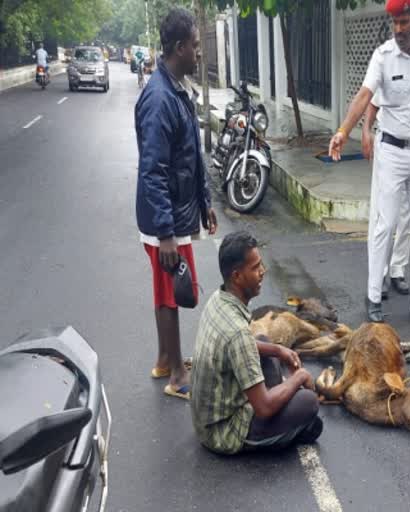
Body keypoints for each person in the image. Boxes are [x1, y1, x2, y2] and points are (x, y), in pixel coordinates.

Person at [329, 0, 410, 327]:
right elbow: (365, 96)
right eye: (394, 23)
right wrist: (343, 131)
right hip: (391, 152)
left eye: (404, 22)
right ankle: (372, 295)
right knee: (385, 223)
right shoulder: (382, 56)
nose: (399, 30)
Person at [135, 7, 218, 399]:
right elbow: (153, 171)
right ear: (181, 47)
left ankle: (165, 359)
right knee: (173, 292)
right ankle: (177, 378)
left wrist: (205, 202)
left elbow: (191, 157)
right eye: (197, 46)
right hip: (163, 222)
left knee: (166, 289)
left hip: (174, 213)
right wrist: (166, 232)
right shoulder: (159, 98)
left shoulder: (176, 87)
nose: (199, 53)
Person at [191, 231, 322, 454]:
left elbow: (242, 346)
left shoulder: (219, 298)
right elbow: (263, 408)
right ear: (237, 276)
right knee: (309, 403)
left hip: (206, 418)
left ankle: (276, 395)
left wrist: (279, 350)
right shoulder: (238, 334)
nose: (263, 272)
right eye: (255, 268)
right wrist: (299, 377)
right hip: (222, 432)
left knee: (262, 341)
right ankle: (281, 433)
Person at [362, 96, 410, 299]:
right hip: (388, 144)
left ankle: (397, 269)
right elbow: (372, 102)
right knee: (381, 214)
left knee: (407, 212)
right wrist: (366, 131)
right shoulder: (385, 64)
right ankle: (379, 273)